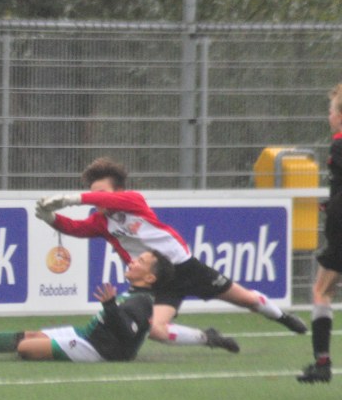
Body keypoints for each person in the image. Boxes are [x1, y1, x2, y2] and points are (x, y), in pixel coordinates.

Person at [35, 157, 307, 354]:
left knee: (247, 300)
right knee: (155, 330)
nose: (96, 200)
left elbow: (108, 202)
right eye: (92, 195)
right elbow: (74, 228)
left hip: (185, 268)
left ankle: (282, 317)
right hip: (156, 282)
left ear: (117, 191)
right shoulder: (101, 222)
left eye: (101, 194)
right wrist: (49, 217)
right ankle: (208, 338)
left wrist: (72, 199)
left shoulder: (133, 201)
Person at [0, 250, 173, 362]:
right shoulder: (135, 295)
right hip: (88, 335)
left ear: (150, 278)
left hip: (99, 349)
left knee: (26, 348)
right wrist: (111, 306)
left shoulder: (143, 302)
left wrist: (110, 306)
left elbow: (127, 333)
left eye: (140, 262)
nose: (133, 261)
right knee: (32, 335)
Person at [297, 83, 342, 384]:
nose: (329, 116)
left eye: (331, 111)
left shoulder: (339, 143)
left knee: (321, 290)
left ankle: (322, 364)